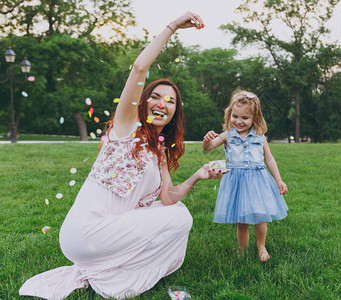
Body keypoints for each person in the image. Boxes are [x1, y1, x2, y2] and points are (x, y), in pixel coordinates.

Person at [19, 12, 220, 299]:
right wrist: (173, 26)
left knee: (177, 213)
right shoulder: (127, 126)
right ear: (144, 102)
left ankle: (110, 267)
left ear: (175, 112)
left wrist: (197, 176)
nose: (162, 103)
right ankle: (115, 276)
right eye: (155, 96)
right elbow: (139, 68)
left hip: (104, 234)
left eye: (171, 100)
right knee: (178, 218)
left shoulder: (159, 151)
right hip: (85, 233)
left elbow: (167, 199)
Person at [202, 90, 288, 262]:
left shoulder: (259, 136)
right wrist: (206, 140)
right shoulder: (227, 135)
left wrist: (279, 180)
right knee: (242, 220)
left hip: (258, 181)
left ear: (254, 118)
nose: (239, 121)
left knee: (260, 216)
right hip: (237, 183)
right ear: (230, 114)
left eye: (245, 118)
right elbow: (209, 147)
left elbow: (269, 159)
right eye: (235, 116)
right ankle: (243, 250)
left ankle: (261, 246)